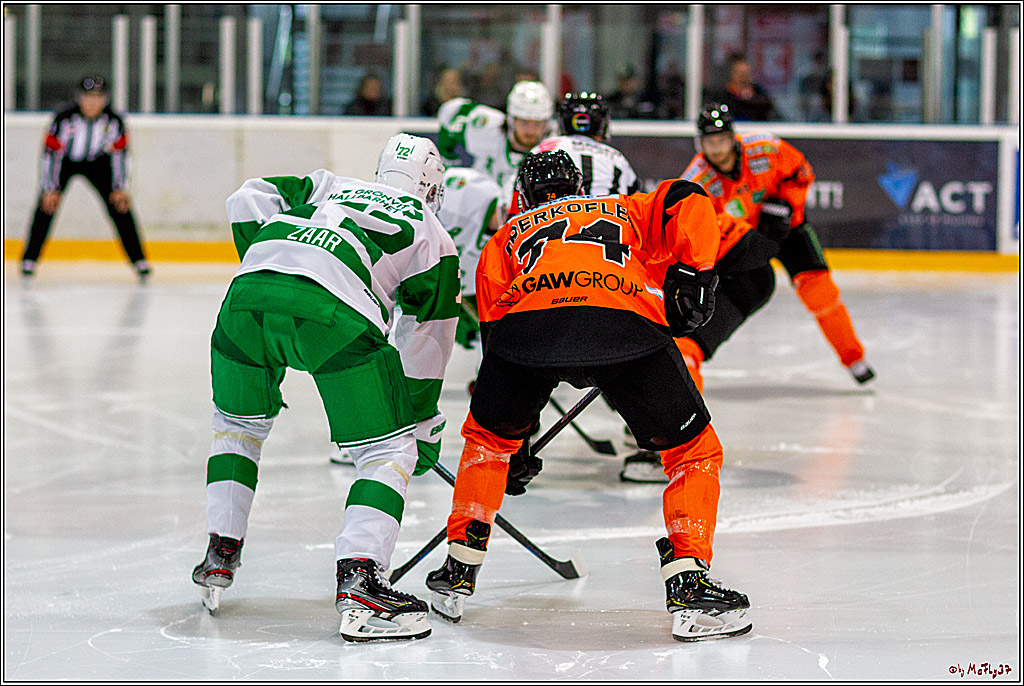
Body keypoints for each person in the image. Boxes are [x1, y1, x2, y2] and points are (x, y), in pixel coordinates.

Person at [423, 150, 752, 643]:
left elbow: (495, 338)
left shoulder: (503, 238)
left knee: (486, 445)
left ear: (522, 197)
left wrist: (515, 434)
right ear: (580, 189)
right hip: (622, 324)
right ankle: (689, 581)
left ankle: (458, 568)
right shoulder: (621, 207)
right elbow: (688, 197)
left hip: (526, 332)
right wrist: (696, 272)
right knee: (693, 453)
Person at [190, 134, 461, 643]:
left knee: (236, 427)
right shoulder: (432, 231)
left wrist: (273, 263)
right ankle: (361, 580)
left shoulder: (327, 184)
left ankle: (220, 552)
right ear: (431, 185)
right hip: (335, 316)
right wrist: (420, 421)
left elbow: (247, 197)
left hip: (247, 297)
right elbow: (429, 335)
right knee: (388, 452)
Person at [22, 75, 150, 282]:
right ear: (79, 98)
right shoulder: (63, 119)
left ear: (105, 99)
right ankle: (29, 260)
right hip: (66, 162)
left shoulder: (114, 121)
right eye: (88, 97)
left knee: (120, 207)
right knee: (46, 206)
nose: (92, 103)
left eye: (98, 98)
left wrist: (120, 187)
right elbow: (50, 155)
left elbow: (121, 155)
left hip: (98, 163)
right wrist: (49, 188)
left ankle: (139, 260)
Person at [437, 80, 555, 209]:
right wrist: (447, 157)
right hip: (480, 209)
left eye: (537, 124)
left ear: (547, 124)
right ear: (511, 119)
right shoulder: (486, 128)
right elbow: (451, 112)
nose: (531, 131)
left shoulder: (555, 149)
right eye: (524, 122)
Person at [531, 92, 640, 197]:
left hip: (560, 209)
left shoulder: (546, 147)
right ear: (602, 125)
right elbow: (635, 198)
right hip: (606, 209)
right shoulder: (616, 157)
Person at [715, 55, 780, 122]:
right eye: (740, 73)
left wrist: (751, 99)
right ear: (733, 74)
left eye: (746, 73)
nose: (743, 77)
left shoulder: (759, 93)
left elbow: (772, 114)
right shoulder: (723, 95)